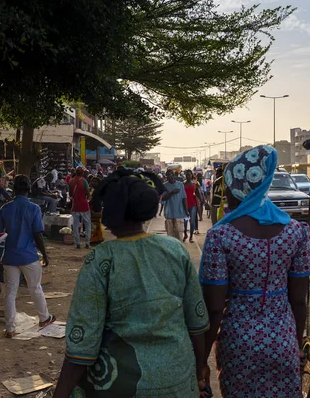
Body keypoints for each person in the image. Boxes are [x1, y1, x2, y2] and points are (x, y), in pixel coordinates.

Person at [52, 170, 210, 398]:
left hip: (118, 385)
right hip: (177, 379)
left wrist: (61, 393)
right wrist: (198, 371)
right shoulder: (175, 250)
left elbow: (83, 342)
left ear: (111, 212)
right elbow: (196, 323)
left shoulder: (101, 259)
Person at [200, 146, 310, 397]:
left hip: (239, 342)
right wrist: (295, 344)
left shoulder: (221, 235)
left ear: (240, 188)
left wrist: (201, 360)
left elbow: (215, 308)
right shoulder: (296, 231)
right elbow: (298, 301)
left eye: (227, 187)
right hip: (282, 340)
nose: (226, 194)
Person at [0, 175, 56, 338]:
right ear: (28, 189)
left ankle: (10, 328)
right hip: (29, 256)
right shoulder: (34, 208)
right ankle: (44, 318)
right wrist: (44, 254)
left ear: (14, 189)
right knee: (35, 288)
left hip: (10, 257)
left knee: (10, 292)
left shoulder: (5, 209)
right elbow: (37, 235)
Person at [162, 170, 189, 240]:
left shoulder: (180, 185)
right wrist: (172, 193)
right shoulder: (165, 185)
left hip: (179, 213)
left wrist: (186, 211)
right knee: (170, 235)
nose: (169, 177)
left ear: (174, 175)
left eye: (170, 175)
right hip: (169, 214)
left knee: (179, 234)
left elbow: (184, 198)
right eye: (167, 175)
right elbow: (163, 198)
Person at [69, 167, 92, 249]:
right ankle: (87, 243)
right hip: (84, 206)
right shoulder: (84, 181)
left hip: (75, 206)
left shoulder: (71, 181)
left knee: (75, 225)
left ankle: (77, 243)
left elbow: (70, 195)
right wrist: (88, 197)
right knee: (87, 224)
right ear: (82, 173)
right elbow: (88, 194)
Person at [183, 170, 199, 243]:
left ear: (191, 175)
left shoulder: (194, 184)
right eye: (187, 175)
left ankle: (191, 236)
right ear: (185, 176)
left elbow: (196, 194)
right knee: (185, 221)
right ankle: (185, 234)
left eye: (189, 175)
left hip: (193, 205)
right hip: (185, 205)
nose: (188, 176)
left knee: (192, 221)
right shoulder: (183, 184)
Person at [89, 177, 104, 245]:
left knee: (95, 224)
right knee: (97, 224)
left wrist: (89, 203)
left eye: (95, 182)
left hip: (96, 208)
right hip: (98, 208)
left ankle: (95, 239)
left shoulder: (96, 191)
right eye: (92, 181)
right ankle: (99, 238)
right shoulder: (98, 190)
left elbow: (93, 200)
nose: (93, 183)